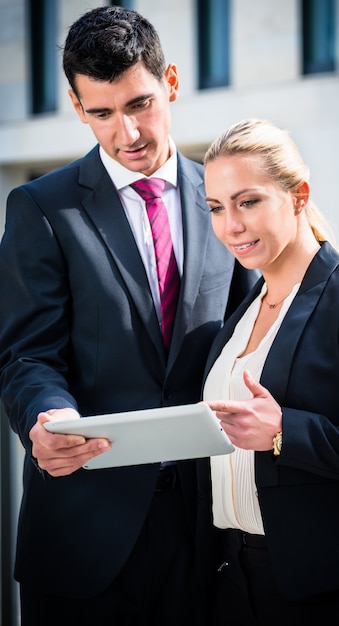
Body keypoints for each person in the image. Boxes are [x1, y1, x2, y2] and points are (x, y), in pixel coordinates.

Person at [0, 7, 257, 626]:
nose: (128, 133)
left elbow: (256, 337)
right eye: (102, 113)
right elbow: (27, 355)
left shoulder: (225, 201)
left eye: (140, 103)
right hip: (84, 536)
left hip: (208, 536)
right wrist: (47, 415)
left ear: (170, 82)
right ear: (76, 104)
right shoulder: (41, 208)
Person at [197, 118, 339, 625]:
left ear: (298, 196)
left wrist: (285, 433)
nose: (231, 225)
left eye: (248, 201)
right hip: (233, 583)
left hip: (333, 594)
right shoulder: (239, 316)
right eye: (216, 207)